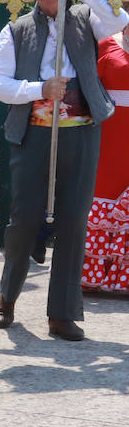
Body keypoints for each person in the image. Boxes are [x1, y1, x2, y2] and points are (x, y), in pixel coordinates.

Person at [0, 0, 129, 340]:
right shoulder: (15, 30)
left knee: (74, 221)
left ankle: (62, 313)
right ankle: (7, 296)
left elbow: (120, 17)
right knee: (23, 221)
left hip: (82, 130)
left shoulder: (86, 19)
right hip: (33, 131)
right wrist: (38, 89)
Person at [82, 25, 129, 292]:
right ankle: (94, 275)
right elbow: (89, 86)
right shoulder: (105, 44)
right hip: (110, 133)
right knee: (105, 193)